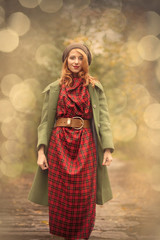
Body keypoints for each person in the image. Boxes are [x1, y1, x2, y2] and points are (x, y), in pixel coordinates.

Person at [28, 43, 114, 240]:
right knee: (61, 194)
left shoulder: (94, 88)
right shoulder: (54, 88)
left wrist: (108, 149)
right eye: (72, 58)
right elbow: (44, 122)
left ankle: (82, 236)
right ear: (66, 60)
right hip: (59, 144)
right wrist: (41, 151)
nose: (76, 62)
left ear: (86, 62)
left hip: (86, 144)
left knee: (85, 194)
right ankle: (62, 235)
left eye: (80, 58)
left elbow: (104, 120)